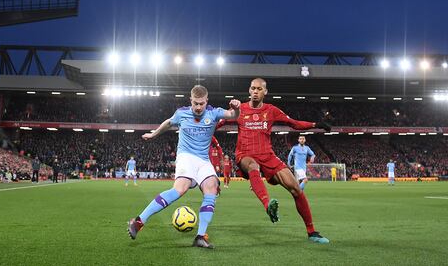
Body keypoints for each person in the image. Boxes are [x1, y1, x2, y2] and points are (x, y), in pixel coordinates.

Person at [218, 78, 331, 244]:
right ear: (249, 91)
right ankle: (267, 205)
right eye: (253, 88)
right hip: (246, 154)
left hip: (268, 155)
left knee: (296, 189)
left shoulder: (271, 110)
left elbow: (294, 123)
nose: (255, 92)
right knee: (253, 166)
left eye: (259, 89)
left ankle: (312, 232)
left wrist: (316, 124)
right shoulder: (239, 109)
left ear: (265, 92)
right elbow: (218, 122)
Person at [128, 85, 241, 249]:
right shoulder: (182, 113)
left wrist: (236, 109)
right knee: (181, 189)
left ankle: (200, 236)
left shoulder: (213, 112)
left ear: (206, 101)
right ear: (191, 101)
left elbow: (232, 115)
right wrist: (153, 134)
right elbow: (168, 123)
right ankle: (139, 221)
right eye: (195, 103)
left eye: (201, 103)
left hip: (203, 160)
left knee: (212, 187)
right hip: (186, 156)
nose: (198, 107)